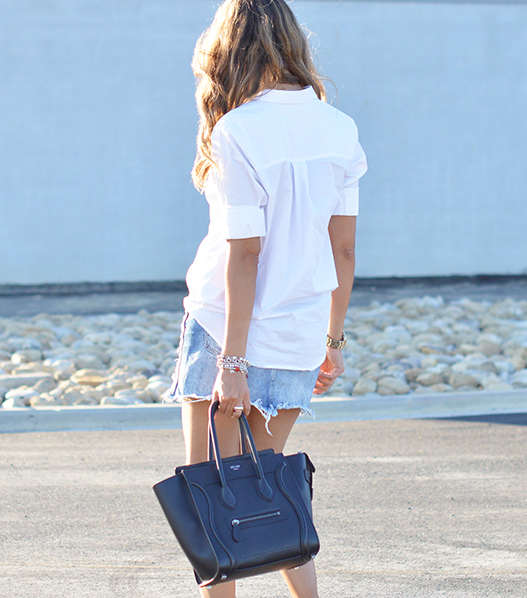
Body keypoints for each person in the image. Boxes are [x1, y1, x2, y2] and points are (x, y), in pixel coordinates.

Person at [163, 1, 366, 597]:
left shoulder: (237, 130)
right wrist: (333, 340)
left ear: (228, 49)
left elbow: (244, 255)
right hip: (300, 331)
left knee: (214, 497)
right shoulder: (339, 127)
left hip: (227, 327)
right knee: (269, 489)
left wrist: (231, 363)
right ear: (292, 42)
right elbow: (345, 251)